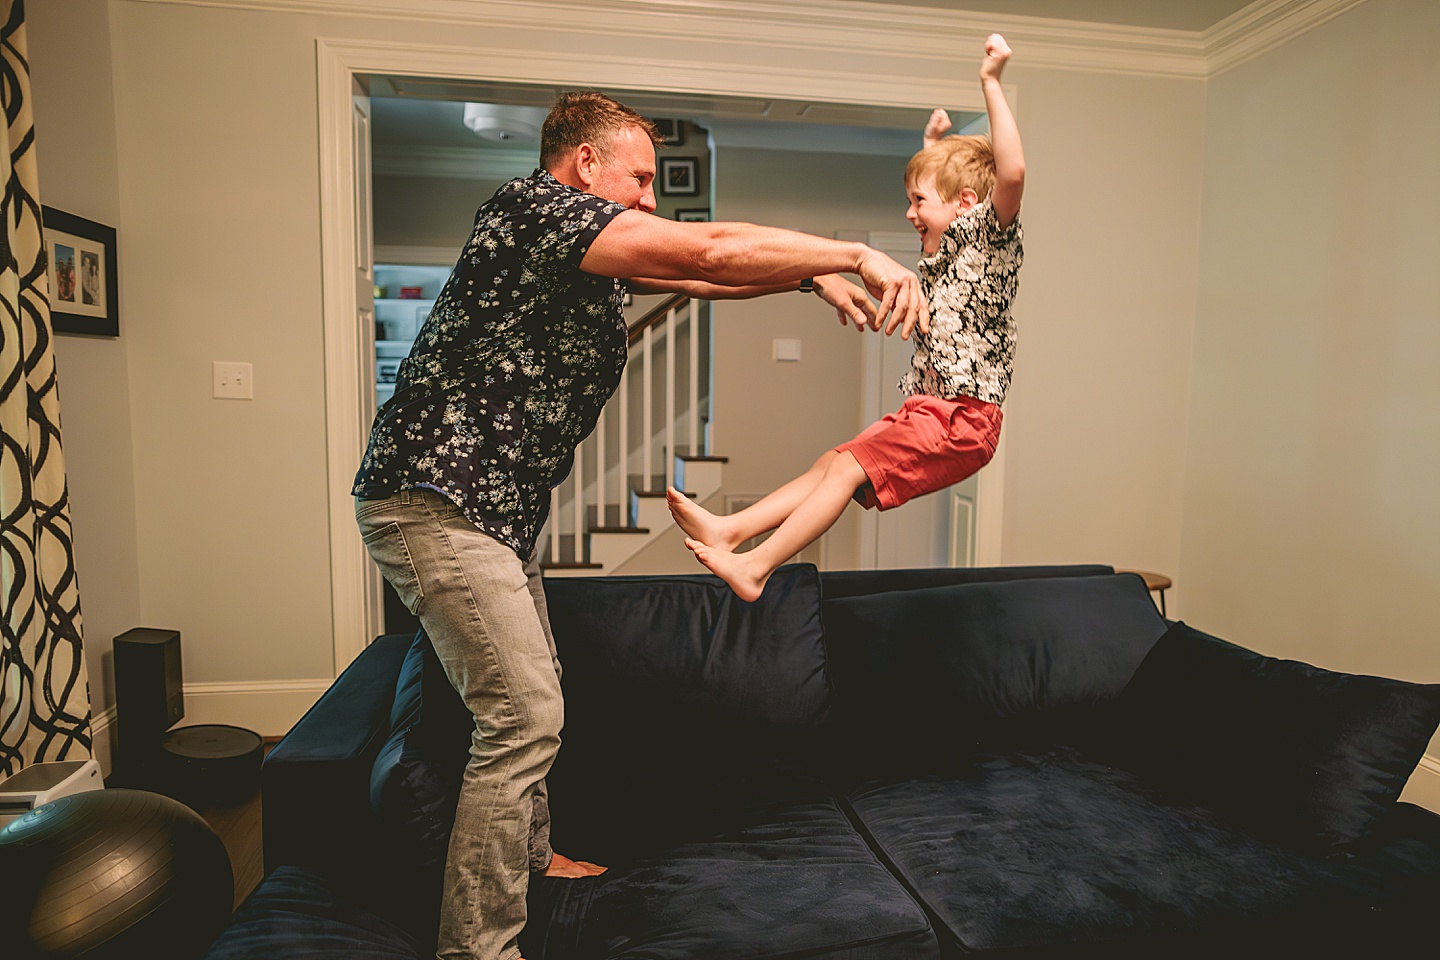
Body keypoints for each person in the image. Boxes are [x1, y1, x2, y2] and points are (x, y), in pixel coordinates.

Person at [351, 90, 926, 960]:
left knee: (531, 691)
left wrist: (808, 277)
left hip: (495, 511)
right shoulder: (531, 209)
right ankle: (475, 948)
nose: (652, 198)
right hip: (434, 499)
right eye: (643, 178)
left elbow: (702, 274)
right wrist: (853, 252)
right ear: (586, 165)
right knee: (523, 713)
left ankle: (532, 862)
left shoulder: (588, 250)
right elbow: (713, 246)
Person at [670, 33, 1025, 602]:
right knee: (830, 462)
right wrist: (933, 146)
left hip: (964, 420)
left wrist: (990, 83)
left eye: (918, 201)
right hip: (926, 410)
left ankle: (755, 568)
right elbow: (951, 185)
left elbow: (1009, 174)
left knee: (844, 472)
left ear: (965, 204)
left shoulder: (991, 237)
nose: (908, 213)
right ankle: (730, 528)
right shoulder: (946, 248)